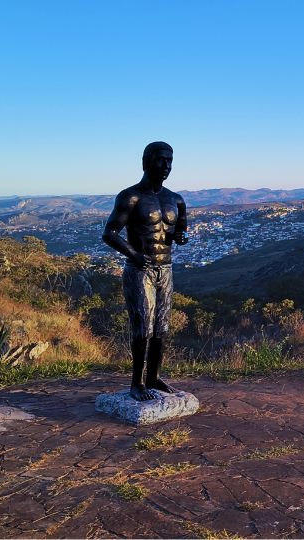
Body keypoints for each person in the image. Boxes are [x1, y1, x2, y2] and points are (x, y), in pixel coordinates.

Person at [102, 141, 188, 401]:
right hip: (140, 270)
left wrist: (180, 236)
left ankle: (153, 377)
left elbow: (178, 231)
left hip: (166, 269)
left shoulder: (176, 199)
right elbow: (110, 233)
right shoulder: (131, 196)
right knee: (142, 327)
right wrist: (134, 255)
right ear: (147, 161)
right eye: (161, 160)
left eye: (170, 160)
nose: (166, 166)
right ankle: (136, 383)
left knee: (161, 327)